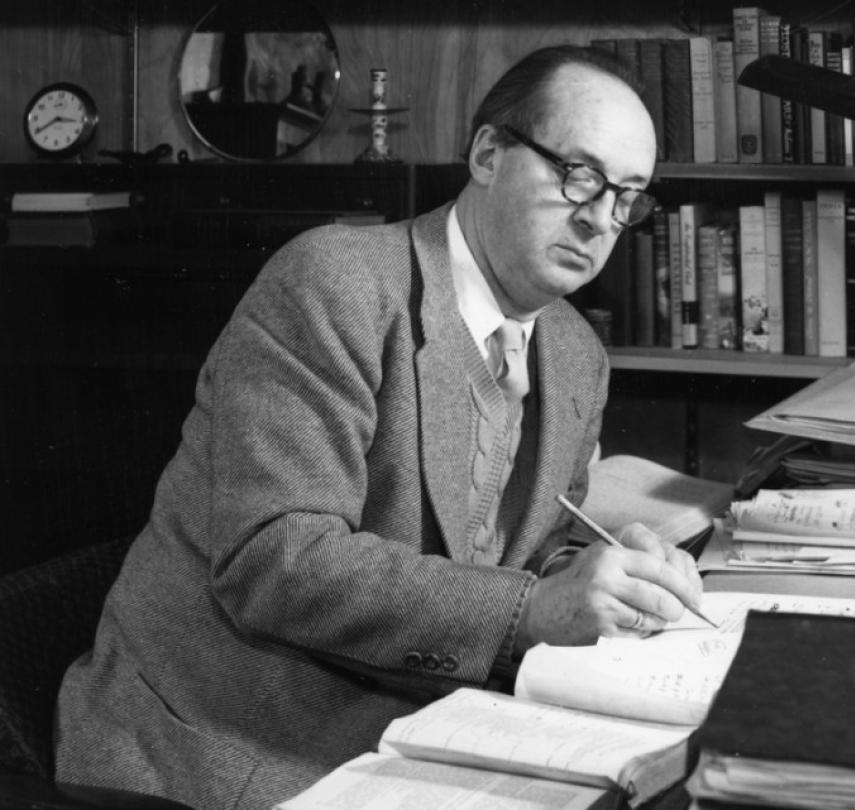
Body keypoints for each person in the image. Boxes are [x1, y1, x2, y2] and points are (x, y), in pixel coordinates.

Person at [55, 44, 701, 810]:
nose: (601, 220)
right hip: (222, 742)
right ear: (489, 153)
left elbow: (530, 541)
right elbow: (277, 560)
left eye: (627, 195)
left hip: (426, 722)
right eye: (578, 175)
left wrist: (602, 576)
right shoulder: (335, 282)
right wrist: (532, 611)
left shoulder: (574, 351)